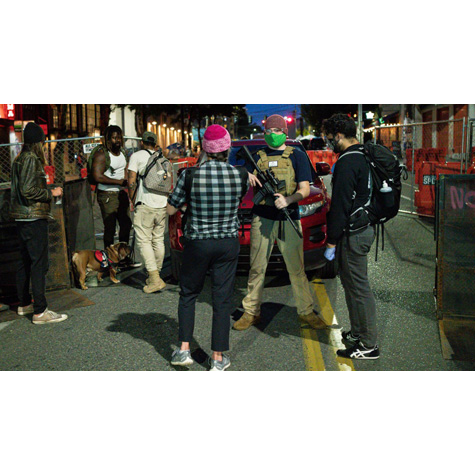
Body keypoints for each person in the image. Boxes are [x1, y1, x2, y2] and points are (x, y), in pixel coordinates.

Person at [167, 124, 251, 371]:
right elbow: (237, 200)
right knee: (222, 298)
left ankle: (183, 350)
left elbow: (171, 208)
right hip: (227, 242)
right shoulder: (240, 175)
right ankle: (217, 358)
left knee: (189, 293)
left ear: (204, 148)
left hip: (198, 242)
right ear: (227, 148)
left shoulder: (190, 175)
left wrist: (187, 207)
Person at [233, 114, 326, 331]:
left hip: (289, 216)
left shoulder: (297, 155)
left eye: (276, 131)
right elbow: (234, 169)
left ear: (284, 132)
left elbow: (304, 188)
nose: (271, 135)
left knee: (296, 268)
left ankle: (306, 311)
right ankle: (251, 312)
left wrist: (288, 200)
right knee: (257, 268)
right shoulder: (256, 155)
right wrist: (244, 173)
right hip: (262, 217)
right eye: (268, 131)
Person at [322, 113, 380, 359]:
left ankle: (368, 345)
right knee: (351, 285)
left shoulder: (347, 161)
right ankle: (358, 332)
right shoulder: (363, 154)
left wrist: (331, 240)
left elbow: (341, 205)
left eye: (327, 138)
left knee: (358, 288)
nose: (327, 142)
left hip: (354, 233)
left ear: (338, 135)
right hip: (363, 227)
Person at [10, 122, 68, 324]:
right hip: (32, 218)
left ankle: (25, 304)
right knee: (38, 264)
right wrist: (50, 193)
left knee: (25, 262)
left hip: (22, 217)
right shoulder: (31, 159)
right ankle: (40, 311)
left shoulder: (19, 159)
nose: (44, 146)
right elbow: (27, 190)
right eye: (43, 142)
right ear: (38, 142)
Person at [127, 132, 167, 293]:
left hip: (145, 203)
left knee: (143, 241)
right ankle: (155, 275)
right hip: (162, 203)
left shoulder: (136, 156)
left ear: (142, 142)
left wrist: (132, 199)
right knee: (158, 239)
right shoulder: (162, 158)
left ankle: (155, 278)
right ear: (155, 143)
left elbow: (131, 179)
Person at [92, 125, 134, 261]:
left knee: (126, 224)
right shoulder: (101, 154)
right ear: (108, 139)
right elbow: (97, 176)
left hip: (121, 193)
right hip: (107, 195)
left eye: (119, 138)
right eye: (114, 138)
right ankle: (109, 259)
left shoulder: (122, 152)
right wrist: (118, 182)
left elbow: (124, 171)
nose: (117, 141)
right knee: (110, 227)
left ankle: (123, 256)